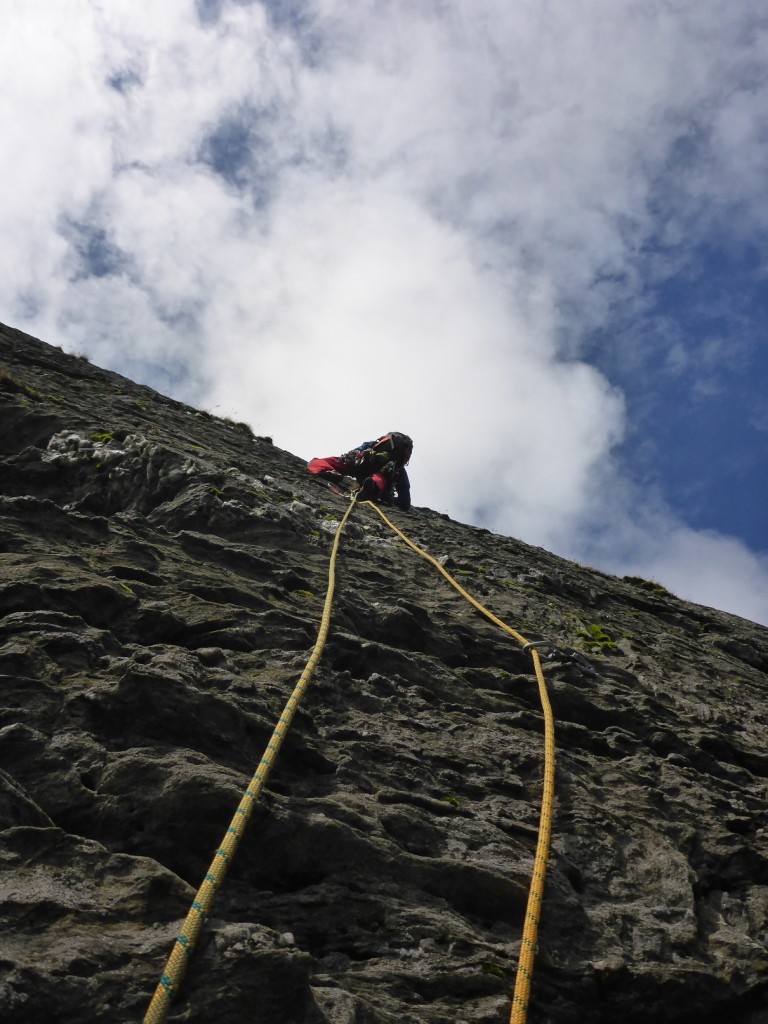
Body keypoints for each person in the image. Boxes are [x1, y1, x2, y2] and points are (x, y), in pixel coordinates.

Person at [307, 432, 413, 510]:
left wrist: (355, 455)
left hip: (360, 464)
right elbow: (405, 504)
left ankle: (329, 471)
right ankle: (371, 488)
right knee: (379, 480)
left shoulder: (372, 445)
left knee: (320, 462)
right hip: (378, 475)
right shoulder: (399, 471)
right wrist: (388, 498)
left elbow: (355, 452)